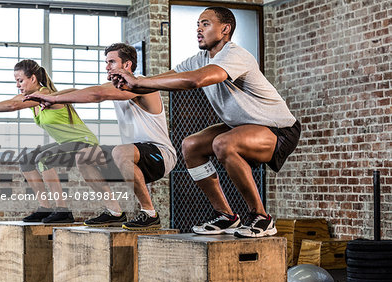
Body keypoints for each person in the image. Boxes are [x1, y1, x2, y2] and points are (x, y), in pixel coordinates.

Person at [110, 7, 301, 237]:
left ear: (225, 29)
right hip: (241, 126)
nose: (199, 29)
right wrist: (136, 82)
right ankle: (226, 216)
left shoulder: (235, 55)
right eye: (197, 25)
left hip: (278, 129)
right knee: (191, 146)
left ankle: (261, 217)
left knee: (223, 143)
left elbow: (195, 81)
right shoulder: (199, 59)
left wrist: (137, 82)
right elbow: (167, 77)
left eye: (205, 24)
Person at [25, 43, 177, 230]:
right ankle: (114, 212)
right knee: (84, 156)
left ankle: (150, 214)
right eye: (106, 62)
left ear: (127, 65)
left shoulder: (141, 85)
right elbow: (82, 90)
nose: (106, 67)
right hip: (134, 156)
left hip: (160, 156)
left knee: (121, 152)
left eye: (112, 62)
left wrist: (55, 99)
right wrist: (51, 96)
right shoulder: (115, 86)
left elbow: (98, 94)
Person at [0, 59, 98, 223]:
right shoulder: (30, 98)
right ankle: (45, 208)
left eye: (20, 81)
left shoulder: (45, 95)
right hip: (67, 144)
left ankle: (63, 211)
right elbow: (4, 104)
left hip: (84, 142)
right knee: (26, 160)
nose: (18, 85)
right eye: (16, 81)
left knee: (44, 158)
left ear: (33, 78)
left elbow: (12, 106)